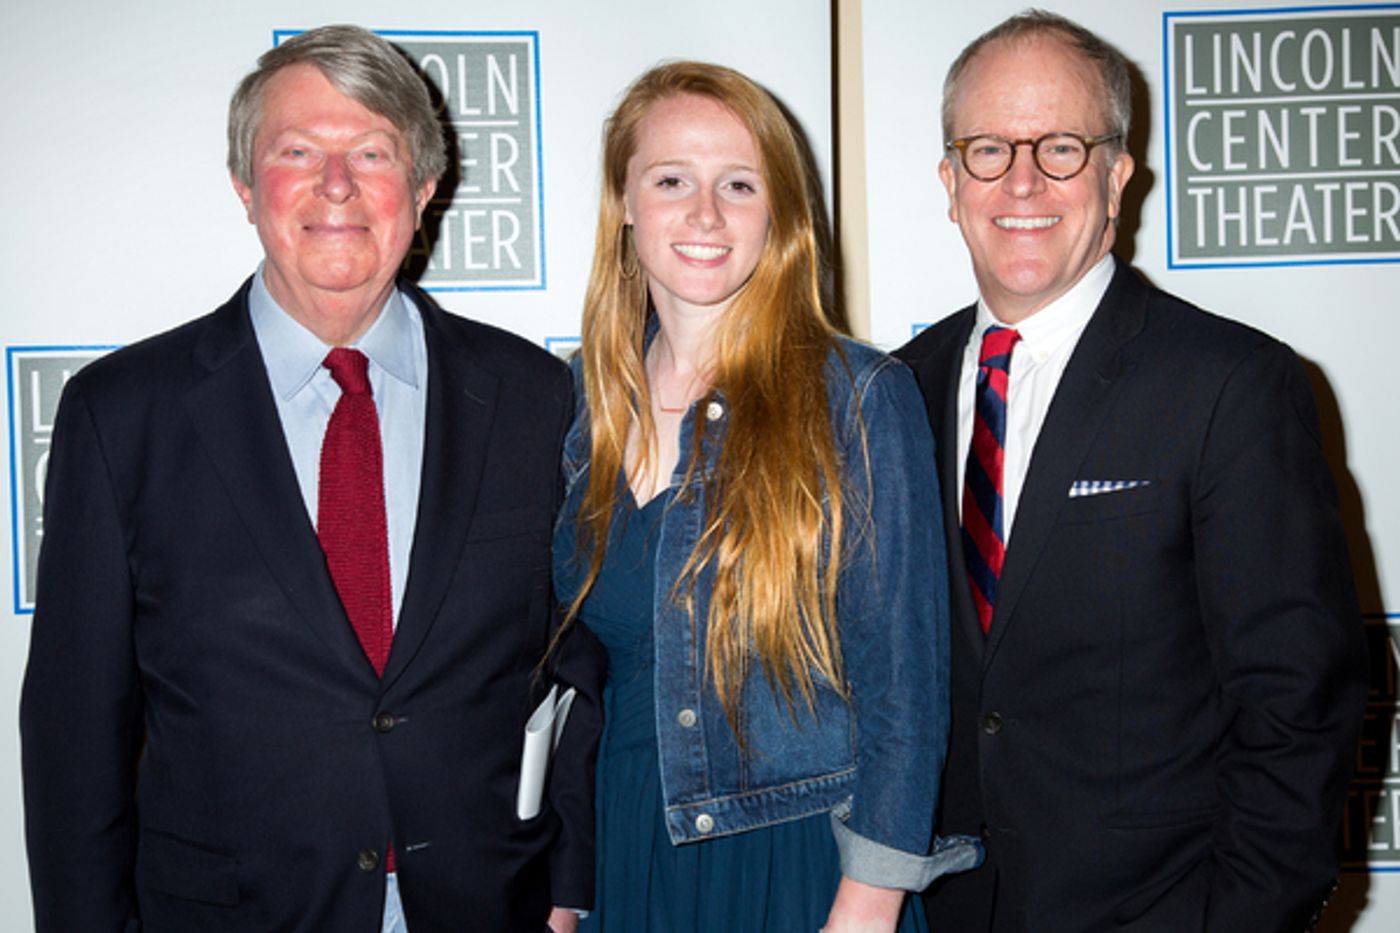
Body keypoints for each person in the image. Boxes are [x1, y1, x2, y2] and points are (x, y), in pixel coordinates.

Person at [19, 24, 602, 933]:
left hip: (491, 905)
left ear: (424, 188)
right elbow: (75, 733)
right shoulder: (122, 414)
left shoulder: (533, 396)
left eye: (371, 152)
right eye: (297, 152)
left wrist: (568, 887)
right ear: (245, 186)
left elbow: (575, 662)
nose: (336, 184)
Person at [894, 11, 1368, 933]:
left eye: (1061, 147)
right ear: (951, 183)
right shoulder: (895, 390)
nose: (1022, 180)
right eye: (989, 149)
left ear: (1116, 177)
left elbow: (1297, 703)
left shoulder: (1230, 386)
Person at [552, 61, 981, 933]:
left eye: (739, 185)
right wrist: (564, 891)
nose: (705, 214)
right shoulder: (574, 406)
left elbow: (903, 689)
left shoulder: (857, 398)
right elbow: (564, 683)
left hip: (801, 867)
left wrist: (865, 908)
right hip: (625, 854)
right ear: (625, 201)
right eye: (672, 180)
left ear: (778, 210)